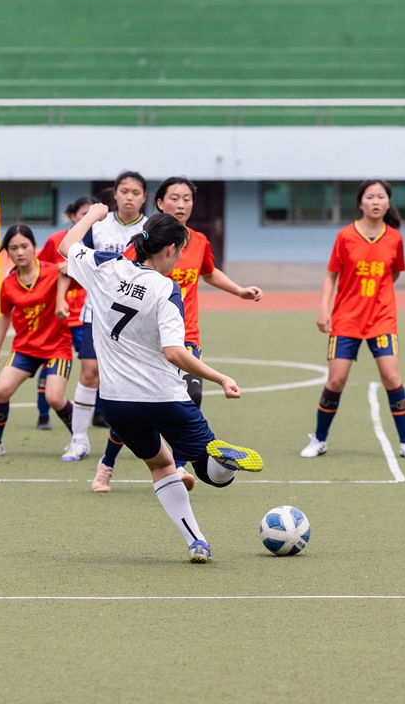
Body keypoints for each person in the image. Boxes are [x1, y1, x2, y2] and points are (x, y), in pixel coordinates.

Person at [59, 205, 264, 563]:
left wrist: (92, 215)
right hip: (165, 398)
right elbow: (174, 352)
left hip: (117, 402)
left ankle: (197, 541)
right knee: (214, 477)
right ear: (170, 250)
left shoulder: (105, 266)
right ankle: (220, 461)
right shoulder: (166, 289)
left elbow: (67, 245)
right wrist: (220, 377)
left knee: (159, 466)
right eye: (180, 251)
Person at [93, 176, 264, 493]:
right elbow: (123, 280)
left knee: (190, 395)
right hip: (145, 338)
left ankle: (180, 466)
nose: (182, 204)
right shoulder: (146, 242)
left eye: (187, 199)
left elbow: (209, 272)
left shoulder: (198, 241)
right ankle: (107, 464)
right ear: (159, 203)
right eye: (174, 198)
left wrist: (239, 291)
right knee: (135, 404)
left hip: (185, 335)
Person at [301, 180, 405, 460]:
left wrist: (378, 294)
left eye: (381, 197)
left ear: (388, 203)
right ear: (361, 203)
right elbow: (332, 275)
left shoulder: (395, 238)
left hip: (382, 319)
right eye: (370, 196)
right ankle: (319, 439)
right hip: (346, 321)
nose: (376, 201)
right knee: (336, 381)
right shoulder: (345, 236)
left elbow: (395, 273)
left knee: (392, 377)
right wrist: (324, 309)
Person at [66, 171, 149, 460]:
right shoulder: (97, 225)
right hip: (97, 311)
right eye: (124, 191)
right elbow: (72, 256)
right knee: (89, 374)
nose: (129, 196)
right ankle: (78, 440)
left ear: (145, 197)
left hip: (136, 316)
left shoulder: (151, 228)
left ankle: (144, 443)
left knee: (134, 379)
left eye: (136, 192)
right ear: (114, 194)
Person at [0, 224, 75, 458]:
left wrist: (71, 269)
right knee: (1, 391)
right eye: (13, 248)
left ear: (34, 247)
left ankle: (78, 439)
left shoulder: (53, 271)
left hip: (56, 348)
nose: (19, 252)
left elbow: (71, 275)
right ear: (7, 253)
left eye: (24, 246)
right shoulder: (8, 284)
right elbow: (6, 315)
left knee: (54, 397)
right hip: (25, 348)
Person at [33, 196, 94, 436]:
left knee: (94, 367)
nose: (88, 219)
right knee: (48, 365)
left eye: (92, 214)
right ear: (72, 216)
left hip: (85, 316)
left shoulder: (97, 241)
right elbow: (41, 269)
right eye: (83, 214)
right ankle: (43, 414)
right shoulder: (55, 241)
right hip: (58, 317)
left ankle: (100, 413)